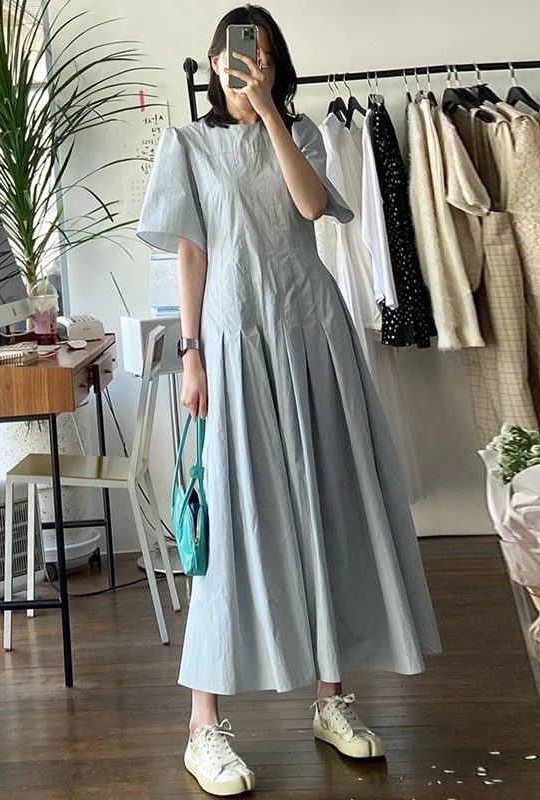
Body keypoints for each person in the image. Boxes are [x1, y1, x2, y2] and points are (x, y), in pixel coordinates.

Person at [137, 5, 441, 796]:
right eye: (237, 57)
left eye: (264, 56)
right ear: (214, 63)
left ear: (276, 66)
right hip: (231, 343)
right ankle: (203, 724)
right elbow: (192, 256)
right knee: (235, 520)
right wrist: (192, 353)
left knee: (326, 504)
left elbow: (311, 208)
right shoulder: (186, 144)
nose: (249, 67)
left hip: (312, 335)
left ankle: (331, 697)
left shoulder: (300, 132)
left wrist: (271, 113)